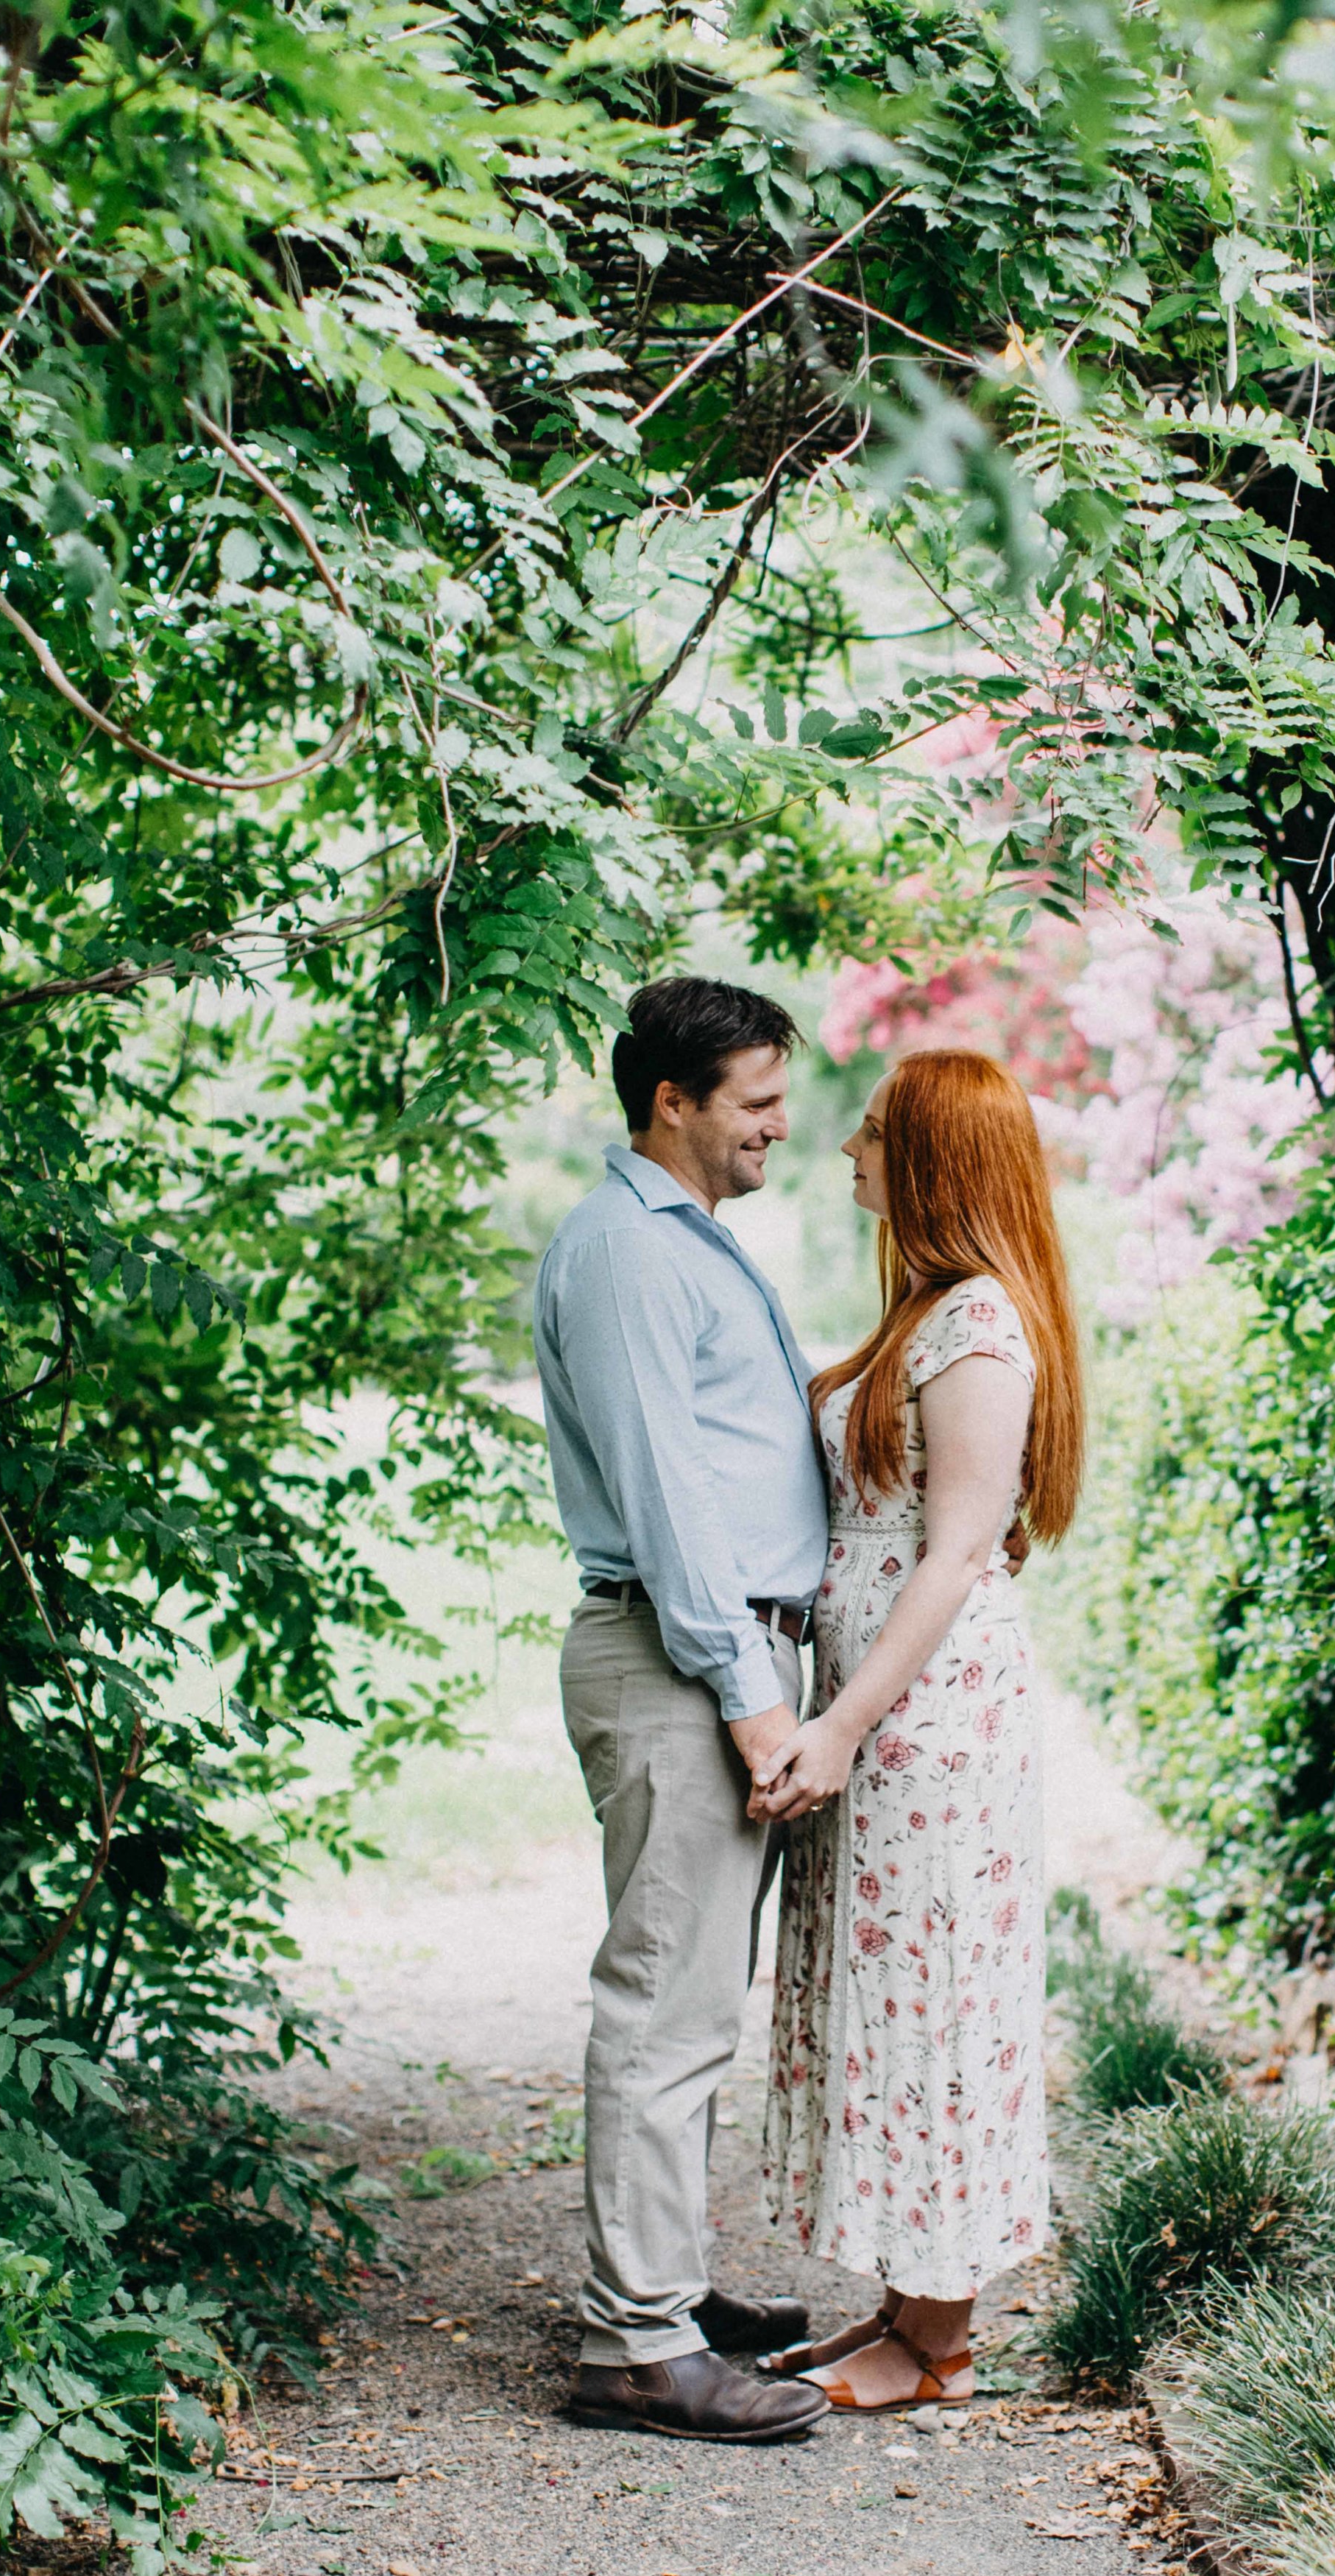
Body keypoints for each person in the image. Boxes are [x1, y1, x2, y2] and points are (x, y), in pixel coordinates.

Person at [751, 1048, 1085, 2410]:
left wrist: (837, 1725)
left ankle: (936, 2339)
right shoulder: (929, 1313)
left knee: (936, 2005)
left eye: (877, 1131)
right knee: (887, 2004)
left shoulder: (983, 1326)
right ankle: (900, 2304)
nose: (847, 1149)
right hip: (892, 1717)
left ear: (936, 1156)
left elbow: (952, 1557)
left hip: (933, 1723)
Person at [533, 978, 832, 2443]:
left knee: (697, 2000)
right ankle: (633, 2345)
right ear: (673, 1101)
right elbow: (666, 1497)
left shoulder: (684, 1245)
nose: (782, 1125)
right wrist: (748, 1696)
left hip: (699, 1655)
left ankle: (666, 2287)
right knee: (663, 2002)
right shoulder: (630, 1257)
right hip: (674, 1659)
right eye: (757, 1102)